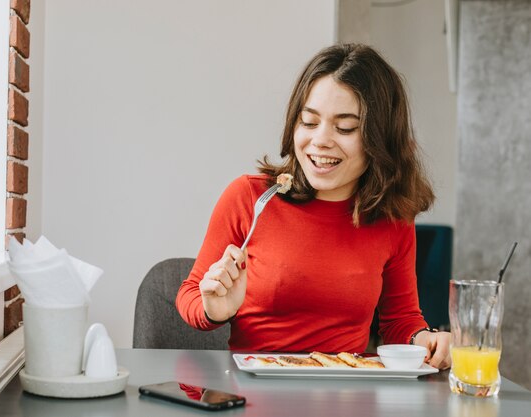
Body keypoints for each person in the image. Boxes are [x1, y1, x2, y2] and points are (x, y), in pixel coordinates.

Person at [175, 43, 451, 369]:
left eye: (345, 127)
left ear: (381, 138)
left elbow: (400, 322)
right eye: (308, 122)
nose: (320, 140)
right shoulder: (249, 198)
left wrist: (426, 340)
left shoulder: (392, 219)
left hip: (346, 396)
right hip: (255, 394)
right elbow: (190, 292)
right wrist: (212, 309)